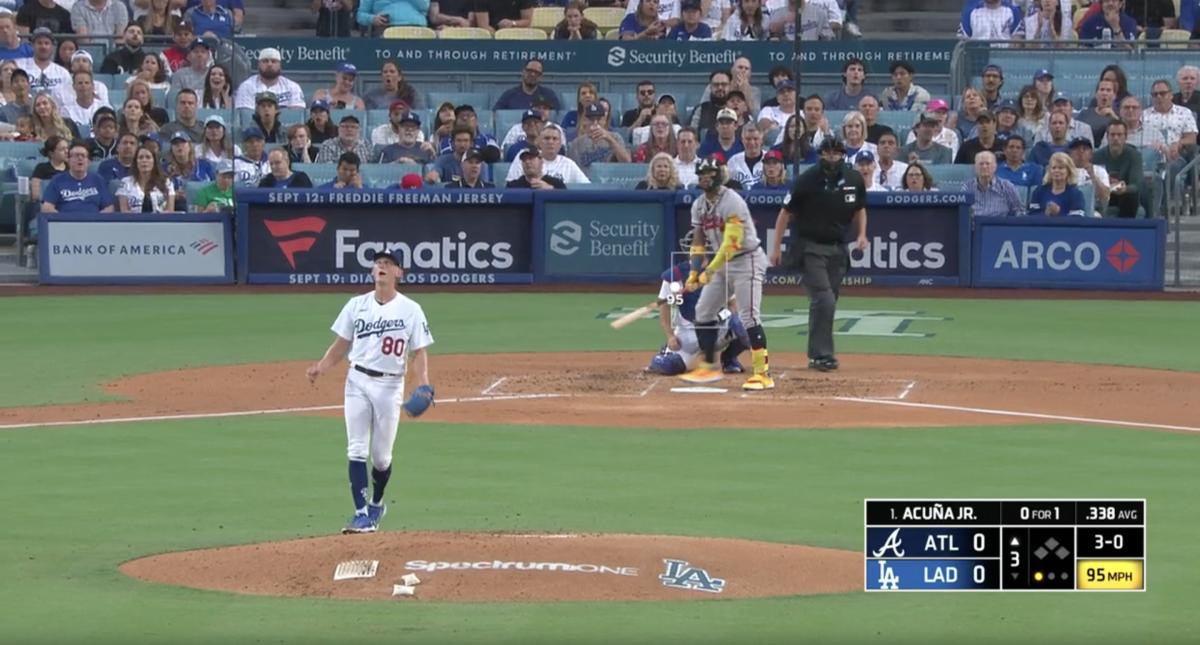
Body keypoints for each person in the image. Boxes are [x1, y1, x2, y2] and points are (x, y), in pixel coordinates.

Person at [305, 248, 435, 534]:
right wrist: (322, 366)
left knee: (381, 458)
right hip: (357, 382)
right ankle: (361, 514)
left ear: (399, 273)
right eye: (378, 263)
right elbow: (341, 344)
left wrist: (423, 382)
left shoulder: (411, 310)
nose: (382, 267)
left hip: (390, 386)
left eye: (388, 263)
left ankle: (377, 502)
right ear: (372, 271)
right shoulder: (356, 305)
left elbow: (419, 351)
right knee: (356, 449)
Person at [768, 137, 866, 373]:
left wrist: (862, 234)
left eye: (836, 153)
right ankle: (822, 355)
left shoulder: (853, 179)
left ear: (843, 155)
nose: (831, 157)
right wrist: (775, 247)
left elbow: (860, 208)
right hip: (809, 246)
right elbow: (785, 213)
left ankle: (817, 353)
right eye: (827, 153)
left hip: (837, 248)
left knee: (827, 301)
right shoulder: (807, 179)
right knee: (824, 299)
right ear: (821, 154)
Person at [677, 156, 771, 389]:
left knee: (749, 316)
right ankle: (708, 367)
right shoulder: (699, 205)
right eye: (702, 174)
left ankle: (763, 373)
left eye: (709, 173)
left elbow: (731, 244)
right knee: (704, 311)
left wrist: (708, 272)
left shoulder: (733, 201)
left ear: (718, 174)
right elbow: (698, 241)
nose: (705, 178)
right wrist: (693, 272)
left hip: (746, 259)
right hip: (722, 263)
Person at [645, 260, 748, 376]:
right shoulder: (676, 275)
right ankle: (663, 355)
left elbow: (733, 305)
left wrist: (722, 316)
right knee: (669, 366)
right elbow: (664, 307)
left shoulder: (721, 272)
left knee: (744, 325)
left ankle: (729, 359)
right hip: (688, 335)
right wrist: (670, 336)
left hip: (717, 331)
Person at [41, 141, 115, 213]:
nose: (80, 158)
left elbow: (109, 207)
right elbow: (47, 207)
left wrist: (96, 220)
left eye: (83, 155)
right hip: (66, 223)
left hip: (93, 223)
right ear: (68, 160)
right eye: (76, 155)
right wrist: (62, 221)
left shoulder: (98, 180)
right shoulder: (57, 180)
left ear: (89, 162)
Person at [504, 125, 589, 184]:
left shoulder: (568, 164)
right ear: (539, 143)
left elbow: (586, 186)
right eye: (547, 138)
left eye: (555, 139)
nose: (551, 142)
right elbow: (510, 184)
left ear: (560, 144)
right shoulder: (526, 158)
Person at [1094, 120, 1143, 217]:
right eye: (1112, 135)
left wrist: (1125, 189)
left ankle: (1126, 229)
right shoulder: (1096, 156)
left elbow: (1136, 185)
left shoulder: (1134, 156)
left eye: (1119, 135)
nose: (1116, 138)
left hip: (1125, 195)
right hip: (1103, 195)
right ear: (1107, 137)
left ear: (1126, 137)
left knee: (1130, 196)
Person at [234, 48, 305, 110]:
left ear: (280, 65)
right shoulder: (246, 86)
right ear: (258, 65)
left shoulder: (292, 87)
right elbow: (245, 116)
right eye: (265, 61)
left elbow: (297, 116)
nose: (269, 64)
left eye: (273, 61)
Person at [567, 103, 631, 169]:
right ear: (584, 121)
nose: (595, 123)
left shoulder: (615, 137)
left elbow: (626, 162)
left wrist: (610, 139)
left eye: (599, 119)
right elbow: (570, 170)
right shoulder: (576, 143)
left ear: (605, 120)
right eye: (591, 119)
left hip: (609, 177)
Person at [116, 145, 175, 212]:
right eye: (140, 158)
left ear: (154, 162)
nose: (144, 160)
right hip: (133, 221)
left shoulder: (166, 182)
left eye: (148, 157)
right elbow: (124, 212)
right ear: (136, 162)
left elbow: (170, 211)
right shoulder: (126, 182)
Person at [968, 150, 1025, 216]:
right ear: (975, 167)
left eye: (987, 163)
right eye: (981, 164)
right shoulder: (968, 186)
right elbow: (962, 211)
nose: (984, 166)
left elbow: (1019, 211)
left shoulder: (1007, 186)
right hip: (974, 224)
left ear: (995, 167)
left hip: (999, 224)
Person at [18, 28, 70, 97]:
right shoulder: (20, 66)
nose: (43, 46)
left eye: (47, 43)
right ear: (32, 45)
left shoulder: (62, 73)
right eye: (39, 43)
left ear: (52, 47)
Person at [493, 59, 561, 111]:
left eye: (537, 72)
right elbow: (494, 116)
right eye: (529, 70)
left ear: (541, 77)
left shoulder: (549, 95)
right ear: (523, 72)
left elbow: (557, 119)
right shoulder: (509, 95)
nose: (532, 74)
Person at [1069, 136, 1109, 217]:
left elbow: (1105, 197)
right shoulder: (1064, 169)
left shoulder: (1100, 171)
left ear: (1091, 153)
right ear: (1070, 153)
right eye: (1076, 148)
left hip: (1093, 210)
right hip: (1068, 209)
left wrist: (1093, 176)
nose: (1081, 152)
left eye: (1085, 148)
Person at [959, 0, 1023, 41]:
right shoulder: (969, 14)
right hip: (978, 58)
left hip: (1005, 58)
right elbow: (962, 43)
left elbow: (1017, 41)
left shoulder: (1013, 12)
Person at [726, 124, 766, 188]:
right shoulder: (733, 161)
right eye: (748, 139)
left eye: (755, 139)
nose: (752, 142)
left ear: (761, 140)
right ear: (742, 140)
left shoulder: (770, 159)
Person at [30, 135, 68, 202]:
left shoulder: (72, 168)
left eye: (67, 148)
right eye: (62, 149)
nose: (67, 151)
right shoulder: (41, 168)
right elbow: (35, 195)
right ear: (51, 153)